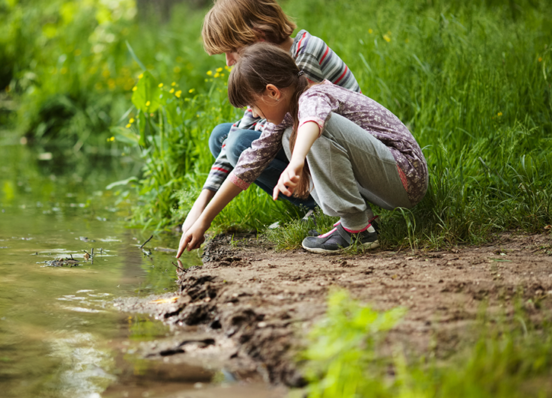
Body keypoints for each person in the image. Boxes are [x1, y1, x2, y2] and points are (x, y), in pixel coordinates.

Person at [177, 43, 428, 257]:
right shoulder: (288, 112)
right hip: (384, 181)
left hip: (405, 177)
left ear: (273, 92)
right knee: (289, 135)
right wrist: (204, 219)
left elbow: (313, 123)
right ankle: (362, 221)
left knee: (311, 131)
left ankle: (357, 229)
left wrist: (296, 162)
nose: (253, 113)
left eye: (253, 105)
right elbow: (249, 163)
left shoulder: (313, 95)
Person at [182, 0, 361, 233]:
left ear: (258, 37)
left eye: (232, 50)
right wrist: (200, 204)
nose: (228, 62)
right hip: (307, 146)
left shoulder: (304, 55)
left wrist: (206, 217)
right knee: (222, 137)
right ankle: (315, 205)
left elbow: (273, 134)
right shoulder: (267, 69)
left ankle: (334, 205)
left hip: (344, 155)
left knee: (243, 144)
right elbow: (243, 127)